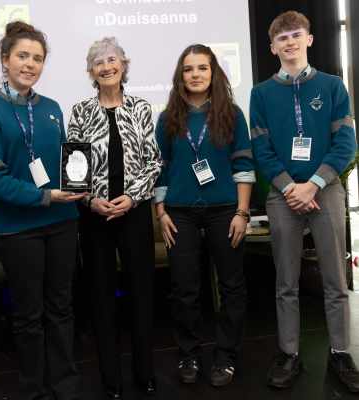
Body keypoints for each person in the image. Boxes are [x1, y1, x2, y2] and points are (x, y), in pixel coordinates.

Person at [0, 21, 82, 400]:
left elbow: (68, 164)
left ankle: (65, 386)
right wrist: (46, 196)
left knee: (62, 309)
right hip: (18, 229)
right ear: (5, 60)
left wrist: (78, 185)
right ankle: (34, 390)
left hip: (63, 222)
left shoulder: (51, 108)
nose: (30, 64)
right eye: (22, 55)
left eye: (37, 58)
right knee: (28, 316)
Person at [250, 10, 359, 392]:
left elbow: (346, 144)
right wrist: (289, 188)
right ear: (272, 47)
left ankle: (341, 353)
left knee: (335, 281)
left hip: (325, 191)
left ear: (309, 39)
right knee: (286, 282)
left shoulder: (333, 86)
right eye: (282, 38)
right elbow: (261, 149)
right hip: (282, 195)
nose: (290, 42)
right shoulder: (261, 93)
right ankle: (289, 354)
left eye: (296, 35)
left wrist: (312, 185)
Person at [154, 44, 254, 387]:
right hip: (179, 214)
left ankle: (226, 355)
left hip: (225, 211)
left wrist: (242, 212)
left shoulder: (232, 114)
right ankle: (189, 353)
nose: (195, 74)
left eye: (202, 68)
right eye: (188, 69)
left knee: (231, 286)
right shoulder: (168, 117)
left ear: (214, 73)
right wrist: (161, 212)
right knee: (184, 288)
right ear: (180, 76)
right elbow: (160, 169)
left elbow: (243, 166)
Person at [67, 37, 162, 399]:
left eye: (112, 60)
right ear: (90, 71)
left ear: (124, 65)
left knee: (142, 294)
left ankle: (145, 373)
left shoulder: (141, 108)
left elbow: (153, 162)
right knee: (101, 297)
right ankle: (111, 378)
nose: (106, 67)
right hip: (95, 218)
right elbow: (74, 169)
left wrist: (132, 198)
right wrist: (91, 200)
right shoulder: (80, 111)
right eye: (99, 62)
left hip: (134, 214)